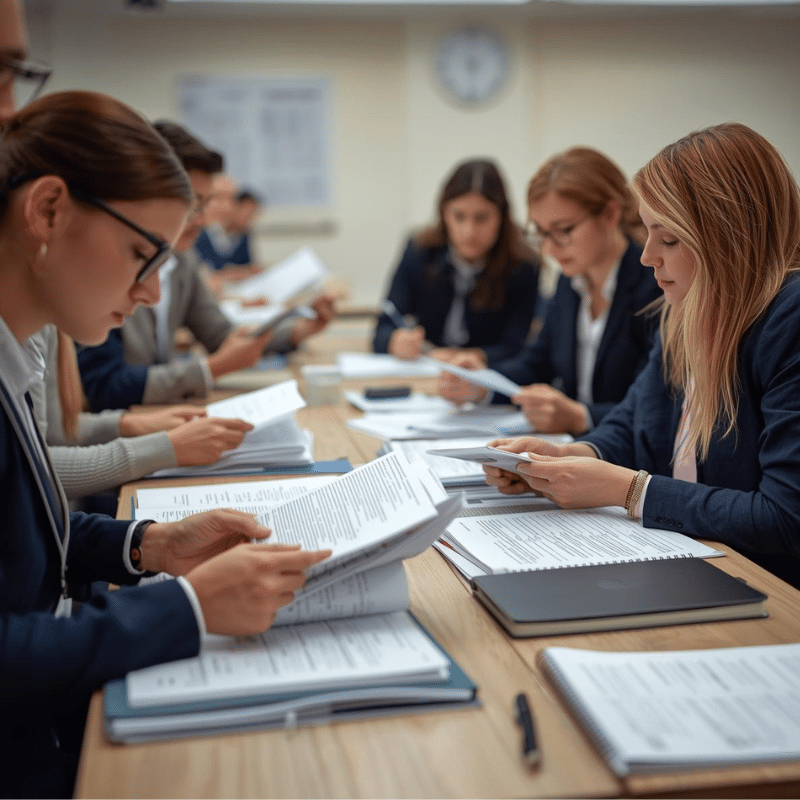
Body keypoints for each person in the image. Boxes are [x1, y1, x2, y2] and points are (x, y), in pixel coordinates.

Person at [0, 89, 329, 797]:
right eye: (140, 255)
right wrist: (186, 609)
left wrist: (148, 544)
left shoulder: (15, 354)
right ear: (49, 211)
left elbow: (20, 537)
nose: (152, 292)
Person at [484, 123, 800, 587]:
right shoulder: (683, 312)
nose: (647, 255)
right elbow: (634, 425)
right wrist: (566, 456)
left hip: (764, 587)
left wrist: (629, 490)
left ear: (728, 237)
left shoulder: (788, 317)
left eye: (668, 239)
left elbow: (785, 518)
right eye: (649, 233)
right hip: (696, 561)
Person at [77, 120, 335, 411]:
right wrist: (211, 369)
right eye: (191, 204)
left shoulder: (183, 260)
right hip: (123, 421)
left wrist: (299, 330)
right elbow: (104, 386)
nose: (202, 219)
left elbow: (220, 334)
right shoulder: (106, 265)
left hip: (156, 414)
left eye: (205, 204)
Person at [439, 148, 661, 436]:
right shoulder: (570, 280)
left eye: (563, 230)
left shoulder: (655, 285)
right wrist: (482, 383)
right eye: (541, 233)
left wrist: (581, 417)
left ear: (609, 214)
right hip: (573, 447)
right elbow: (538, 363)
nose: (550, 249)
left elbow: (654, 404)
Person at [29, 324, 254, 508]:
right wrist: (166, 447)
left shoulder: (46, 328)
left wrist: (128, 423)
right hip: (63, 518)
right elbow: (32, 470)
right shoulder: (28, 336)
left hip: (67, 516)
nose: (153, 296)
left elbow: (56, 431)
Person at [372, 158, 540, 366]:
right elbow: (384, 326)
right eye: (459, 216)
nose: (469, 232)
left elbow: (517, 345)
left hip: (482, 376)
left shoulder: (524, 266)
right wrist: (395, 341)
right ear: (444, 213)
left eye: (481, 218)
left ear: (501, 217)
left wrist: (478, 357)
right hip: (425, 372)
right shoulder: (420, 251)